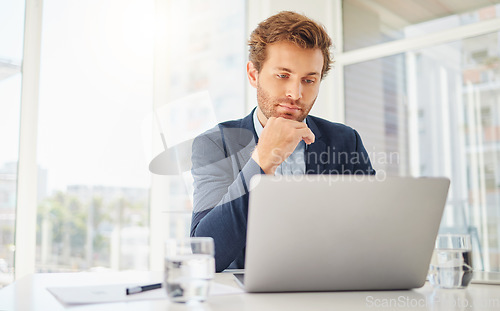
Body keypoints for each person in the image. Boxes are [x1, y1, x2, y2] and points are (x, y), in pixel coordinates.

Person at [190, 11, 375, 272]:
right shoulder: (214, 144)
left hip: (329, 288)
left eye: (309, 80)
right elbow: (203, 256)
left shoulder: (346, 141)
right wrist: (263, 159)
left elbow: (374, 231)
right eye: (282, 75)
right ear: (253, 75)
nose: (295, 94)